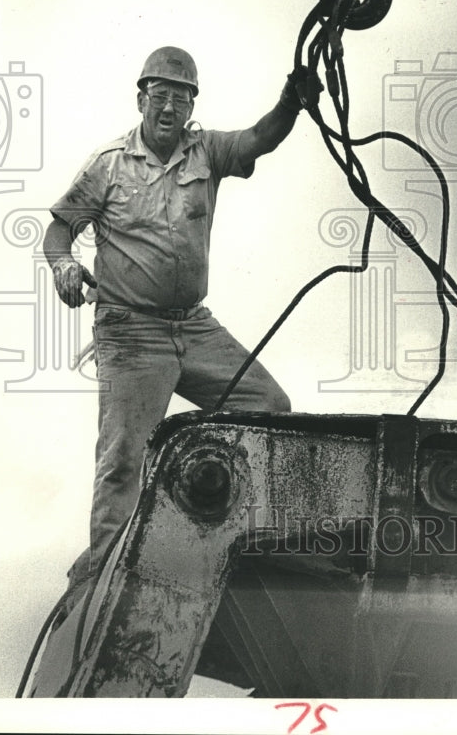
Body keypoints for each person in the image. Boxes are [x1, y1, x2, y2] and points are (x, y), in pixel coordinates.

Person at [43, 45, 303, 602]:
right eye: (159, 95)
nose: (169, 107)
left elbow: (260, 137)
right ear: (141, 100)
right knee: (121, 459)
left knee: (268, 408)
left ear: (191, 106)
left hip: (194, 326)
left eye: (180, 97)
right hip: (131, 333)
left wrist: (292, 101)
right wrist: (65, 267)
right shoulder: (108, 165)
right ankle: (106, 581)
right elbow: (58, 231)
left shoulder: (206, 151)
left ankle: (220, 530)